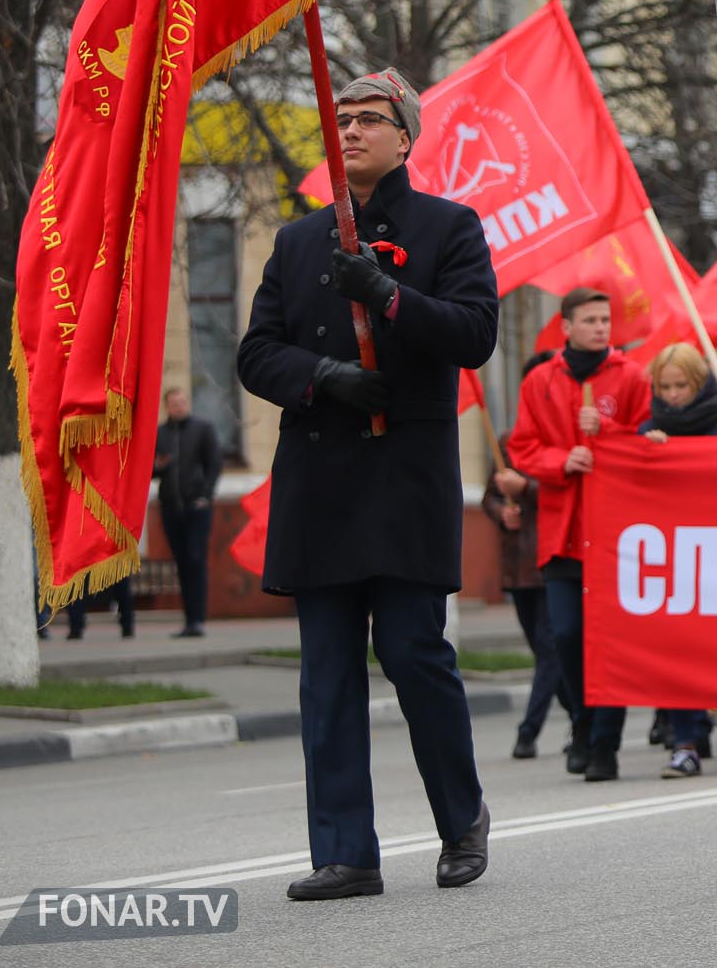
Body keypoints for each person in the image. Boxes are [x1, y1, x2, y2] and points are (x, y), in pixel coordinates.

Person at [236, 68, 496, 900]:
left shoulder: (449, 227)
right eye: (340, 119)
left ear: (406, 136)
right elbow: (256, 352)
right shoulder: (298, 240)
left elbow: (474, 333)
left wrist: (387, 294)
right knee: (328, 670)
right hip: (321, 478)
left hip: (405, 474)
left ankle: (461, 821)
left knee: (416, 654)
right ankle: (347, 852)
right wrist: (322, 376)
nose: (349, 130)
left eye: (369, 119)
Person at [509, 291, 654, 783]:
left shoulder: (630, 376)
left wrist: (608, 429)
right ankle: (582, 720)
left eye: (605, 319)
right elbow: (522, 446)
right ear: (565, 327)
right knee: (566, 634)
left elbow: (649, 444)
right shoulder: (539, 380)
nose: (600, 327)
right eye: (589, 320)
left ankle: (605, 745)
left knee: (608, 642)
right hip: (563, 532)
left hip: (615, 535)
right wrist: (561, 460)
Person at [638, 341, 717, 777]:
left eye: (680, 385)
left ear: (699, 384)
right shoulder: (649, 429)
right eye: (664, 387)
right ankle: (684, 741)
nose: (672, 395)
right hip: (670, 561)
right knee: (674, 651)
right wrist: (649, 453)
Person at [482, 422, 573, 762]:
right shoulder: (507, 442)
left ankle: (527, 731)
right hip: (517, 565)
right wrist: (502, 513)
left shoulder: (559, 440)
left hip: (551, 560)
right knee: (544, 652)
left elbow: (565, 490)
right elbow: (489, 496)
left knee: (551, 651)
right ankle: (580, 716)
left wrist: (525, 488)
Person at [154, 386, 223, 637]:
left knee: (195, 560)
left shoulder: (202, 429)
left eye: (182, 402)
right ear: (167, 406)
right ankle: (188, 620)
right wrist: (158, 466)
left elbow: (214, 464)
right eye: (174, 403)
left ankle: (198, 619)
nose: (179, 406)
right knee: (182, 563)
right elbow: (151, 470)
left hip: (197, 507)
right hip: (171, 508)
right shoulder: (160, 433)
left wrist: (205, 495)